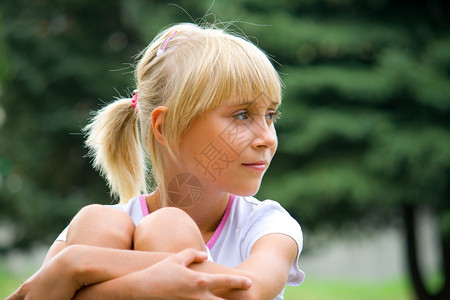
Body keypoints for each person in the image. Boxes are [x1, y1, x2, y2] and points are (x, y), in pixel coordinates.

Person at [8, 22, 304, 299]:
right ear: (165, 127)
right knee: (96, 220)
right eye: (242, 116)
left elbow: (247, 292)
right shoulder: (102, 230)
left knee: (167, 227)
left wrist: (75, 267)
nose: (267, 137)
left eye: (270, 115)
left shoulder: (268, 225)